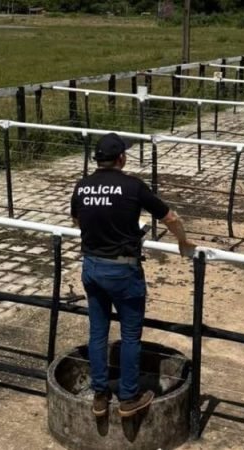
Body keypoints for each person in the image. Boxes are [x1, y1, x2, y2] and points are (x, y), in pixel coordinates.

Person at [70, 133, 195, 418]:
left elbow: (77, 220)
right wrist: (183, 242)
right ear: (121, 158)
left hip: (92, 266)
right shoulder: (132, 186)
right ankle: (128, 397)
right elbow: (170, 218)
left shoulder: (82, 186)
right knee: (129, 336)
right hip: (123, 270)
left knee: (98, 332)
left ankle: (100, 394)